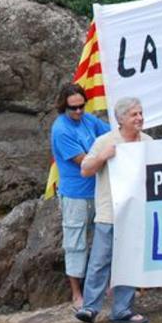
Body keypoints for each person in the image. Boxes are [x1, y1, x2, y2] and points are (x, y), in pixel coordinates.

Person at [74, 97, 151, 323]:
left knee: (129, 261)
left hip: (136, 212)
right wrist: (102, 157)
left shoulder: (147, 141)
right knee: (100, 260)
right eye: (134, 115)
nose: (139, 118)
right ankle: (90, 308)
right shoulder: (105, 141)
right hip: (109, 212)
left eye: (140, 113)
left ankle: (122, 309)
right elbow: (85, 170)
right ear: (120, 119)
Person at [49, 83, 110, 311]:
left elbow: (111, 133)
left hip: (98, 190)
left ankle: (102, 286)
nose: (78, 112)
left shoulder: (89, 120)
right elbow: (84, 162)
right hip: (75, 194)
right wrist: (106, 154)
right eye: (73, 108)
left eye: (81, 107)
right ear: (63, 108)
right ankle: (76, 293)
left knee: (102, 239)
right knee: (75, 243)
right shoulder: (61, 130)